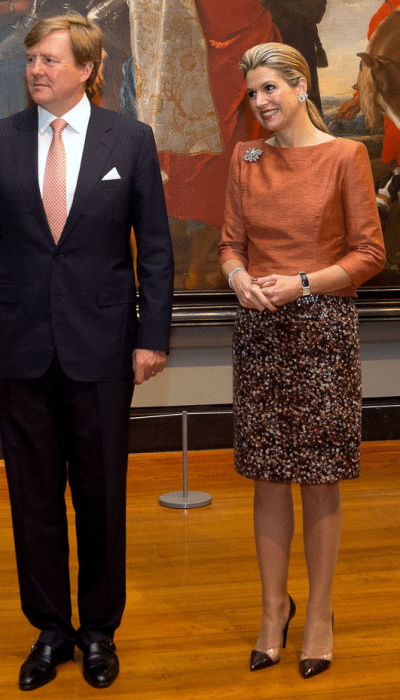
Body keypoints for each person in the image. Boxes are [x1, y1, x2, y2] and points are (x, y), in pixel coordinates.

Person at [0, 12, 173, 692]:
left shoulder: (129, 140)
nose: (35, 69)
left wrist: (151, 337)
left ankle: (100, 630)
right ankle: (50, 629)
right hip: (18, 351)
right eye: (31, 59)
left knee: (100, 496)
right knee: (32, 499)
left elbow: (154, 248)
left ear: (88, 69)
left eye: (49, 59)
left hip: (102, 350)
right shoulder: (4, 139)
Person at [219, 42, 385, 679]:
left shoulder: (346, 155)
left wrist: (304, 283)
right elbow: (230, 245)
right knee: (267, 477)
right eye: (252, 92)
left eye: (271, 88)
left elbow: (368, 254)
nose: (261, 101)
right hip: (260, 332)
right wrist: (238, 278)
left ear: (301, 86)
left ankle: (318, 614)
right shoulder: (247, 157)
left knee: (319, 479)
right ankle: (272, 612)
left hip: (323, 334)